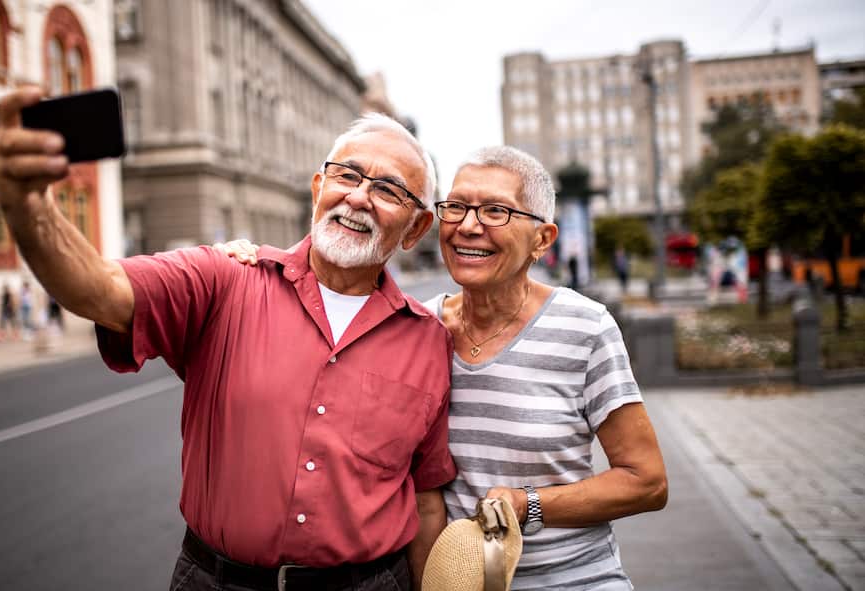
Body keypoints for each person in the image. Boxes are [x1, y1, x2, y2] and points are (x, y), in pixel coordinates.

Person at [0, 86, 456, 591]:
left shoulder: (427, 340)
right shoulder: (226, 277)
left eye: (388, 190)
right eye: (347, 175)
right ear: (319, 187)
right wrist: (26, 204)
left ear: (416, 228)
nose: (358, 196)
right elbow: (97, 289)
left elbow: (426, 500)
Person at [220, 146, 668, 590]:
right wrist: (248, 266)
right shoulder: (417, 330)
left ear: (543, 239)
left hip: (574, 581)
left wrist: (528, 504)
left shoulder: (584, 327)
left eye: (495, 211)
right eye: (456, 208)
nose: (468, 227)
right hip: (455, 582)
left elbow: (645, 481)